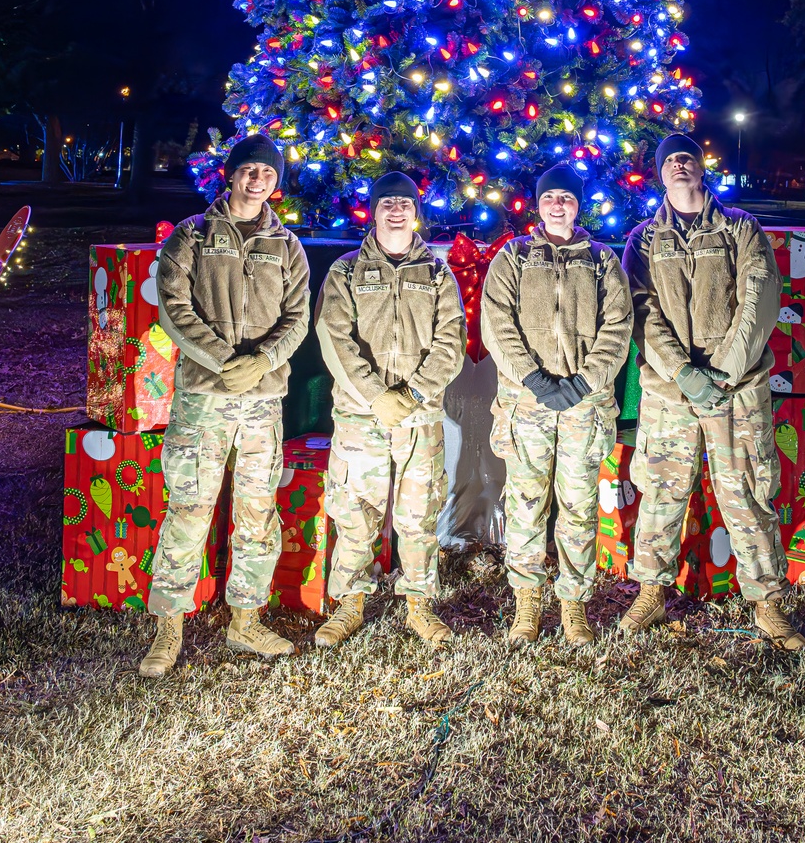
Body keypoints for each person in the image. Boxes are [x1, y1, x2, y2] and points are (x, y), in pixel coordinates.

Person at [621, 133, 805, 651]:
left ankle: (766, 602)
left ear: (701, 169)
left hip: (737, 390)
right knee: (660, 494)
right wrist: (685, 374)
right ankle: (651, 592)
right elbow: (642, 310)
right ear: (659, 174)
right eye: (670, 161)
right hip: (670, 392)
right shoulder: (642, 239)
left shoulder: (741, 228)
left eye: (688, 158)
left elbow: (759, 295)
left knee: (748, 493)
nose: (680, 165)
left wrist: (722, 374)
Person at [139, 133, 311, 678]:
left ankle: (245, 620)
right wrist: (222, 361)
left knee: (257, 512)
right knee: (190, 507)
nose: (257, 179)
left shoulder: (287, 247)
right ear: (231, 175)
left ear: (276, 186)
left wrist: (261, 362)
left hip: (262, 400)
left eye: (267, 173)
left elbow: (298, 317)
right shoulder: (190, 237)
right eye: (248, 170)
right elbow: (174, 308)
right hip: (205, 398)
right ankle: (169, 625)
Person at [480, 163, 634, 647]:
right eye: (550, 199)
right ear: (538, 205)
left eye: (567, 198)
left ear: (578, 205)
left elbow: (618, 327)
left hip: (584, 406)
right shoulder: (515, 256)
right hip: (527, 402)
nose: (558, 205)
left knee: (578, 504)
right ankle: (527, 603)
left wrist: (584, 382)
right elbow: (496, 321)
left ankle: (573, 605)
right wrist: (533, 378)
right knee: (526, 503)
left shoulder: (603, 260)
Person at [314, 172, 466, 649]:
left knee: (419, 511)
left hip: (419, 416)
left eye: (404, 204)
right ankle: (350, 604)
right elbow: (334, 337)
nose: (396, 211)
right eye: (387, 204)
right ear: (374, 212)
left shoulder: (438, 274)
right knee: (355, 510)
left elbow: (451, 342)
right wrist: (376, 396)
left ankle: (419, 605)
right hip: (363, 414)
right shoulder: (345, 270)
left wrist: (413, 394)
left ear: (416, 212)